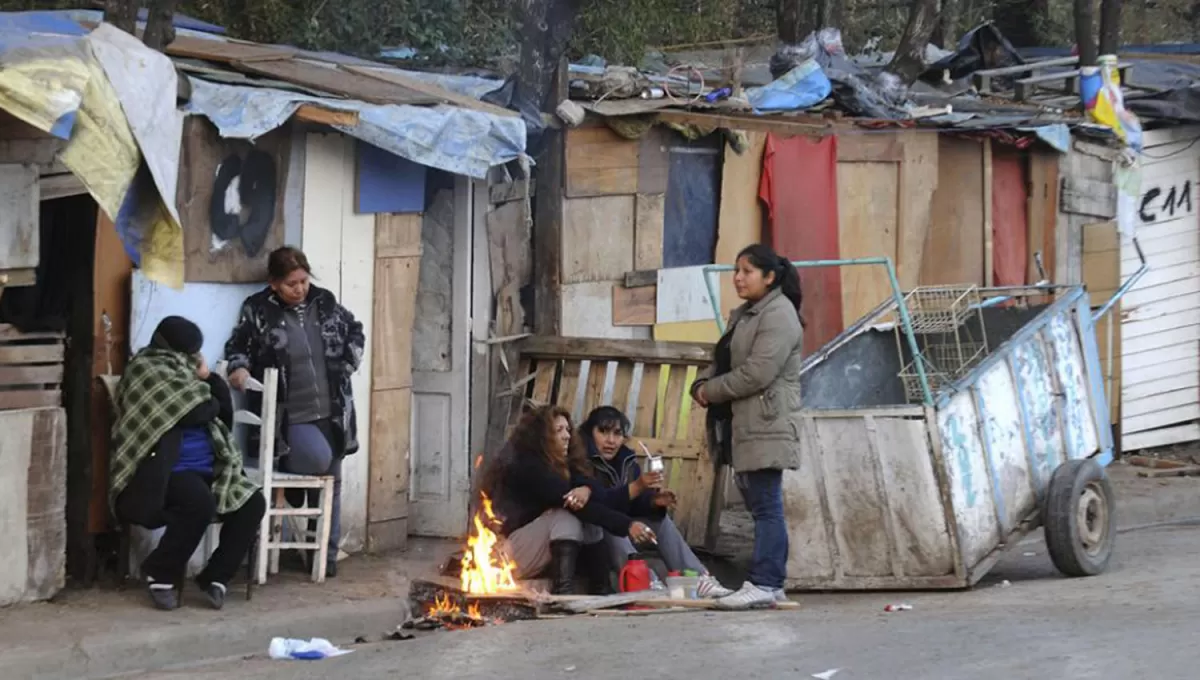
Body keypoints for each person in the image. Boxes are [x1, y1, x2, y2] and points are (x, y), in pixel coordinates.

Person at [224, 246, 364, 578]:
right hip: (288, 418)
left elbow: (355, 329)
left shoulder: (325, 302)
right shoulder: (257, 310)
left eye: (302, 280)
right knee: (321, 461)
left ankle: (323, 558)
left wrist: (348, 362)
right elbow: (237, 346)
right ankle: (285, 466)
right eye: (291, 283)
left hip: (331, 409)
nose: (299, 289)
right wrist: (240, 370)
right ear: (274, 283)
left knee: (333, 476)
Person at [111, 316, 265, 611]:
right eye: (189, 352)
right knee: (199, 503)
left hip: (210, 465)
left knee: (252, 502)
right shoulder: (146, 368)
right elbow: (193, 414)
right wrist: (209, 401)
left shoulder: (187, 374)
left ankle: (215, 577)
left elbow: (222, 415)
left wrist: (209, 379)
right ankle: (160, 572)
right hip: (165, 470)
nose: (194, 358)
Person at [690, 243, 804, 609]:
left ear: (770, 277)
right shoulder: (747, 313)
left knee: (767, 506)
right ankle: (769, 582)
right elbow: (725, 358)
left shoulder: (779, 315)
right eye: (735, 271)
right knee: (760, 506)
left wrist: (711, 391)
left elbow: (758, 373)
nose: (737, 278)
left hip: (766, 422)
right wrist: (704, 384)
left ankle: (766, 582)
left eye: (747, 271)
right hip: (747, 423)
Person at [481, 405, 658, 594]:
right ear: (540, 436)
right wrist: (628, 525)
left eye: (567, 429)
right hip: (506, 557)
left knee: (589, 520)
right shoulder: (529, 467)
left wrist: (587, 488)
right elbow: (574, 504)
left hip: (534, 555)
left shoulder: (564, 463)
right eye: (558, 430)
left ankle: (602, 589)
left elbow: (600, 498)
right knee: (565, 516)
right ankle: (563, 593)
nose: (566, 435)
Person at [577, 406, 735, 599]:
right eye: (603, 432)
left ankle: (697, 579)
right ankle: (645, 582)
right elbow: (599, 505)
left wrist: (652, 502)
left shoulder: (626, 461)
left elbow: (631, 505)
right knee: (612, 524)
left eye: (617, 434)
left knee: (661, 522)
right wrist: (637, 487)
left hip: (624, 528)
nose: (611, 440)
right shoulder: (581, 460)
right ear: (590, 432)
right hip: (592, 537)